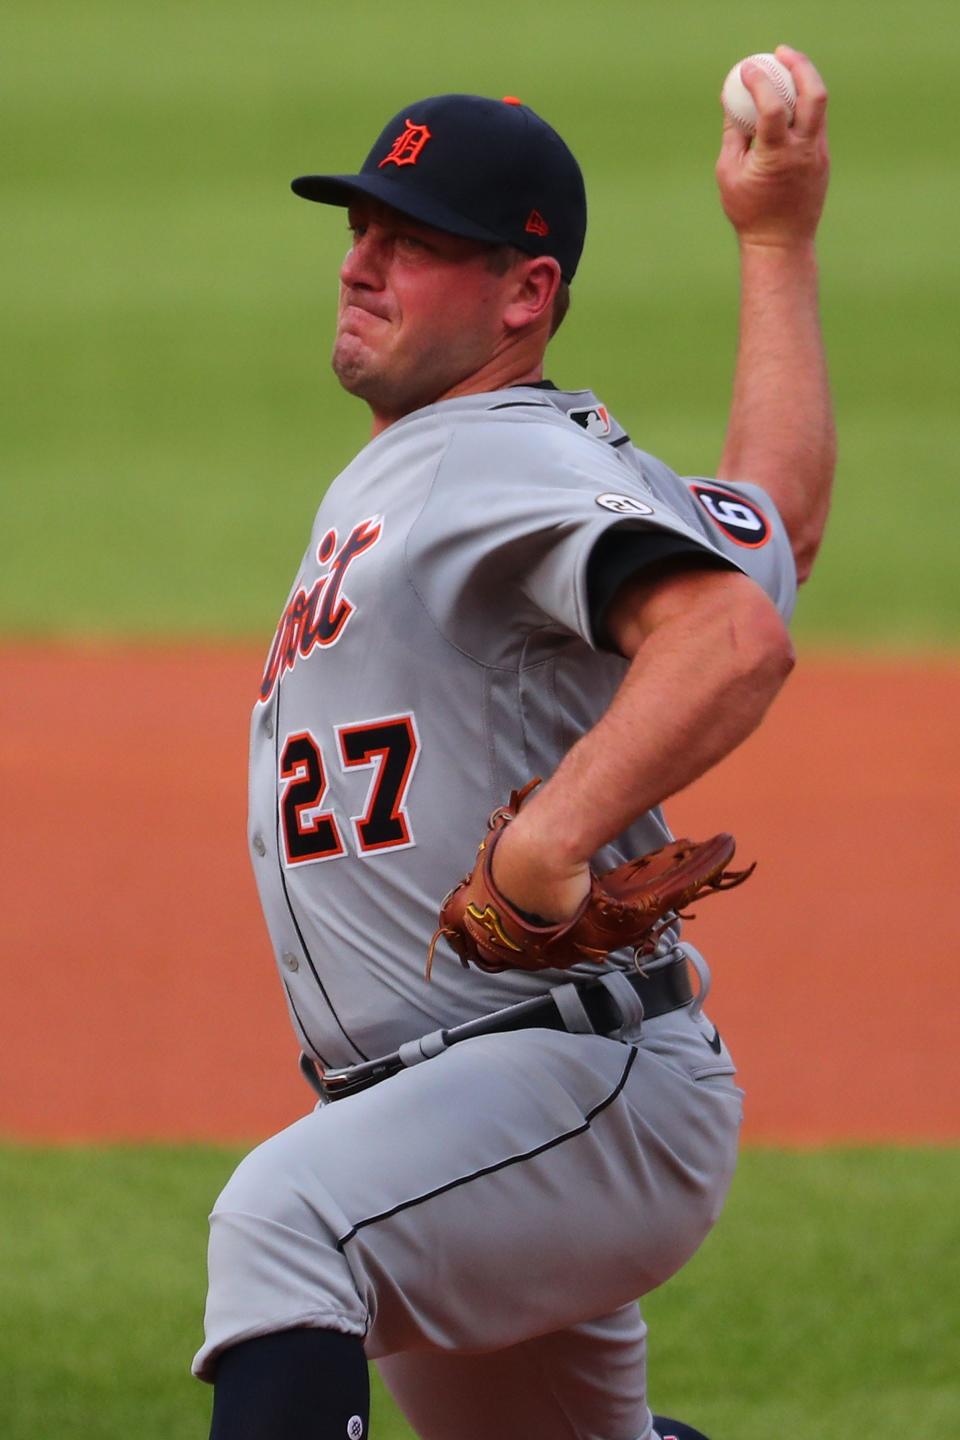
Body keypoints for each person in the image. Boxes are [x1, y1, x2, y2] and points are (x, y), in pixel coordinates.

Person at [194, 49, 833, 1440]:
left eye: (415, 245)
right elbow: (774, 516)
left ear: (524, 296)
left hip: (563, 1077)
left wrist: (552, 836)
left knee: (282, 1221)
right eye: (362, 232)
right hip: (481, 1107)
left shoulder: (489, 455)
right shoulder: (526, 461)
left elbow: (731, 637)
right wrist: (777, 239)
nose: (363, 265)